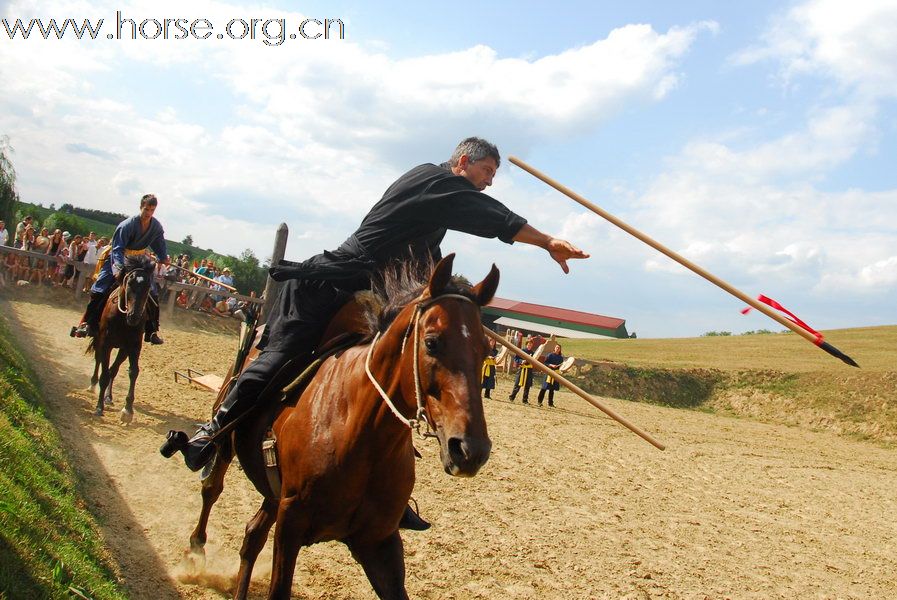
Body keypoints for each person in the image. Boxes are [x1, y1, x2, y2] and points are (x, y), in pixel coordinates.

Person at [174, 137, 589, 486]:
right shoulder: (434, 182)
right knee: (283, 356)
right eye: (487, 172)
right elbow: (492, 217)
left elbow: (431, 274)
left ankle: (382, 486)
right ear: (463, 162)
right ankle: (214, 431)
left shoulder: (437, 212)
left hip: (374, 301)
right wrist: (548, 240)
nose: (488, 182)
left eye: (493, 176)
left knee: (392, 375)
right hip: (334, 285)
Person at [71, 194, 167, 344]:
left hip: (138, 261)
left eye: (152, 210)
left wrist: (163, 256)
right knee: (100, 289)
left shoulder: (156, 226)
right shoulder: (126, 225)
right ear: (141, 207)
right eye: (146, 209)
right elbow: (117, 249)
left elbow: (159, 243)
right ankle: (87, 323)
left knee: (152, 292)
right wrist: (117, 268)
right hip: (119, 258)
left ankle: (151, 330)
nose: (148, 213)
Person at [508, 338, 536, 404]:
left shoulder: (532, 353)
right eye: (528, 344)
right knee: (517, 384)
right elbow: (516, 359)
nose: (529, 346)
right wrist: (521, 361)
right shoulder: (522, 351)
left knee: (527, 386)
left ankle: (525, 400)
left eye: (531, 345)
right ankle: (512, 397)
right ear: (526, 344)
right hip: (522, 369)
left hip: (529, 370)